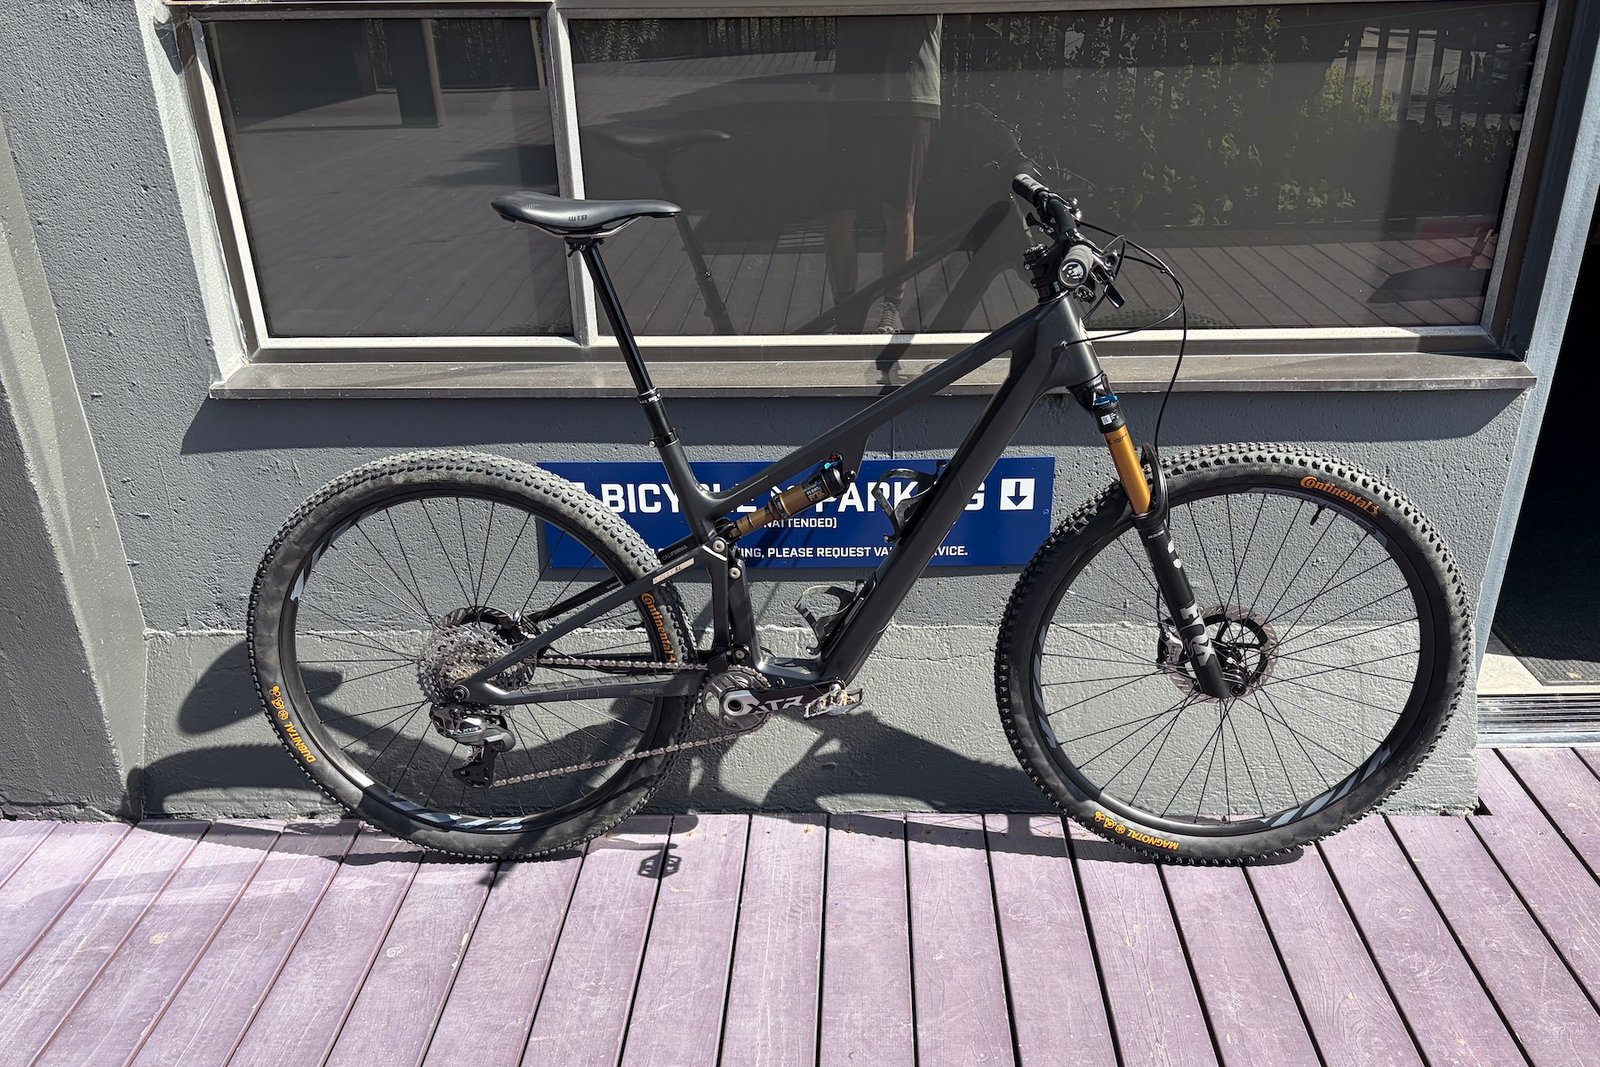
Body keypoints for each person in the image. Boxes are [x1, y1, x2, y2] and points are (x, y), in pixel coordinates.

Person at [822, 16, 942, 334]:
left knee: (900, 210)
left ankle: (892, 308)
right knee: (838, 213)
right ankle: (846, 311)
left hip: (911, 94)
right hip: (852, 95)